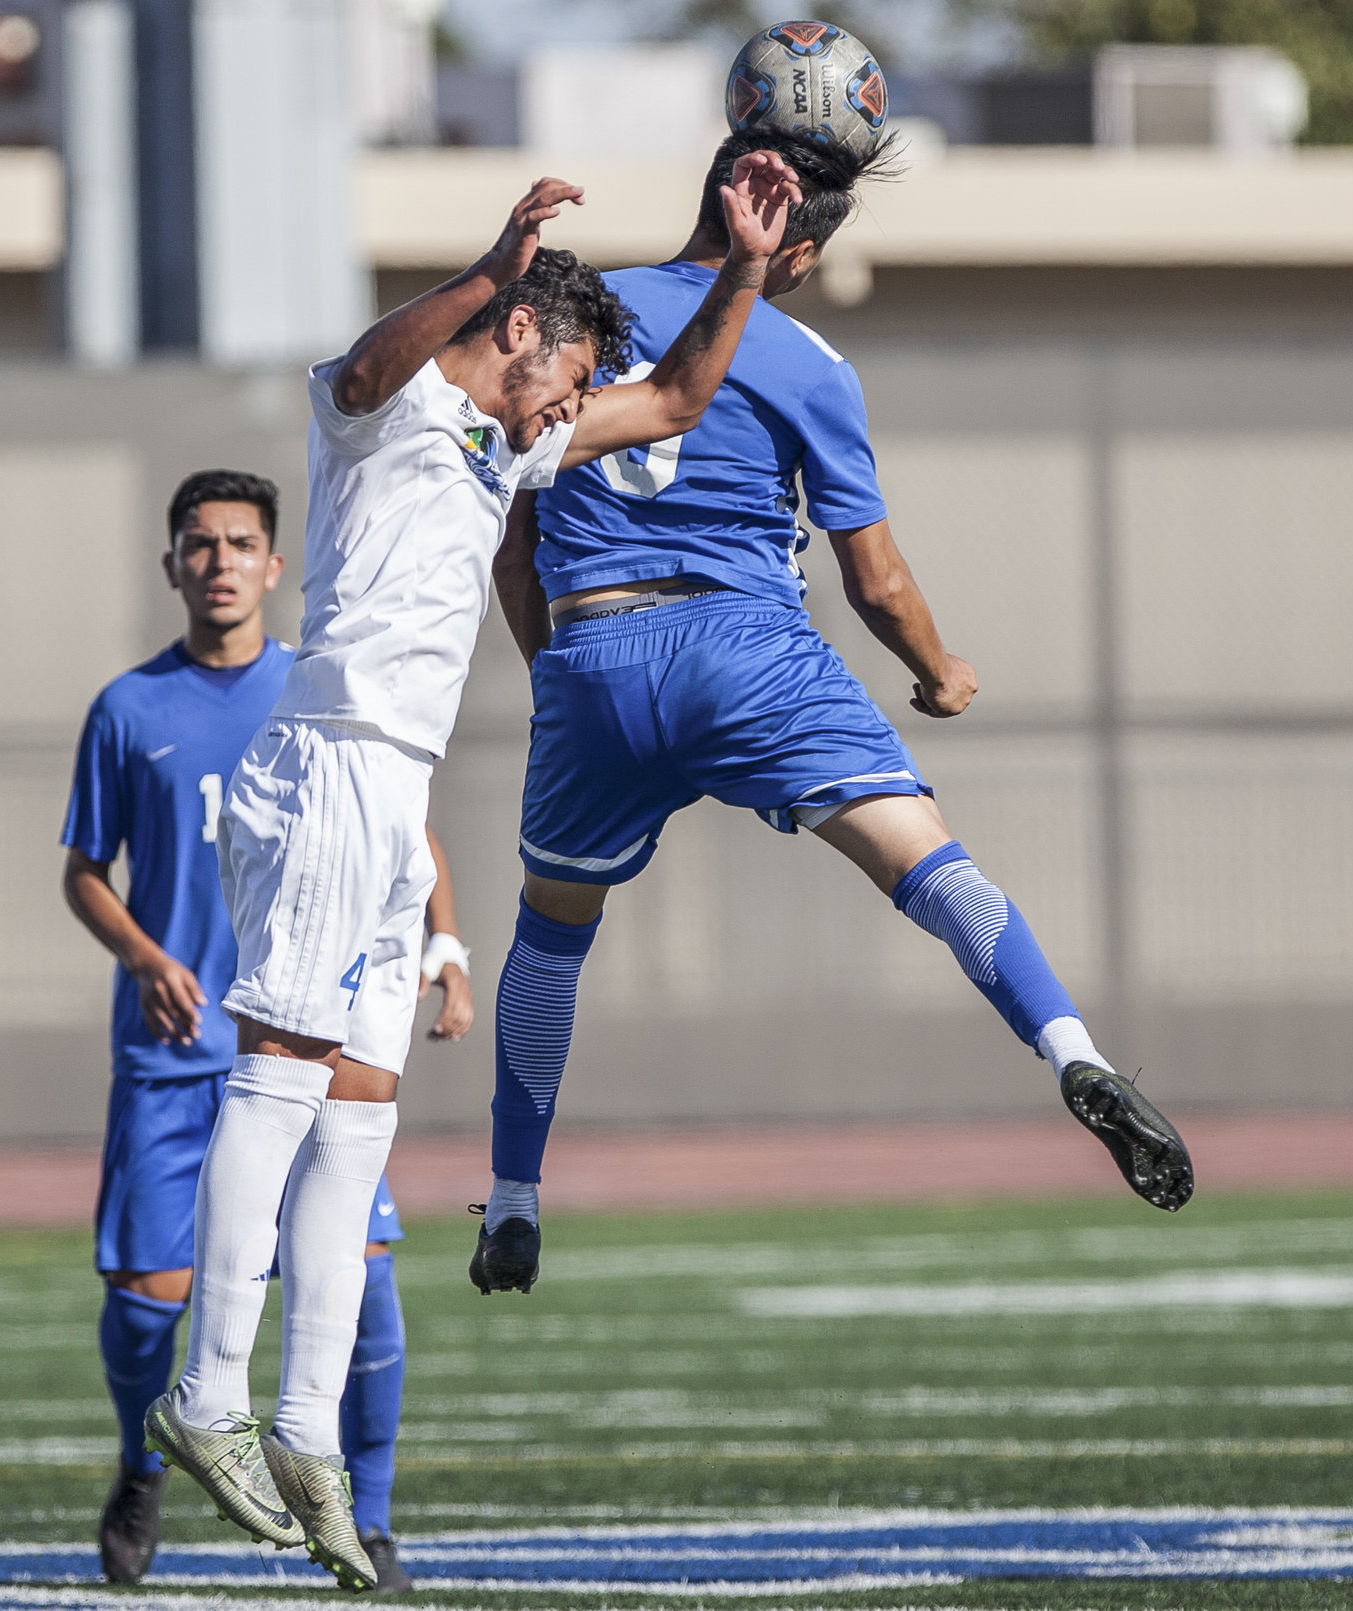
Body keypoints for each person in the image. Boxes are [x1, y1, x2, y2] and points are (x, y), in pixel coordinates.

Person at [141, 154, 805, 1592]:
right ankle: (206, 1396)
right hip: (328, 761)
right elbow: (371, 361)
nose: (570, 406)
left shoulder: (513, 444)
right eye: (562, 372)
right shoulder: (392, 407)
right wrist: (495, 263)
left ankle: (307, 1421)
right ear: (515, 330)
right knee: (283, 1065)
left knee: (363, 1104)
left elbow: (680, 399)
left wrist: (748, 264)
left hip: (396, 794)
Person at [468, 130, 1193, 1298]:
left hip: (593, 645)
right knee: (931, 866)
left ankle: (512, 1196)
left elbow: (515, 552)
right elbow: (875, 582)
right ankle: (1076, 1055)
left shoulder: (575, 323)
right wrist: (939, 667)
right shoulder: (804, 358)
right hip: (747, 646)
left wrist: (562, 675)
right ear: (793, 251)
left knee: (550, 935)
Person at [60, 469, 474, 1591]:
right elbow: (84, 873)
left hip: (315, 1033)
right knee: (151, 1296)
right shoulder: (127, 709)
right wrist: (144, 957)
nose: (222, 561)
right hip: (175, 1053)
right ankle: (143, 1466)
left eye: (242, 542)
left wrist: (444, 948)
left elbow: (405, 828)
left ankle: (372, 1514)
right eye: (201, 544)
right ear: (173, 565)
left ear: (276, 564)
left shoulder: (318, 688)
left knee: (365, 1276)